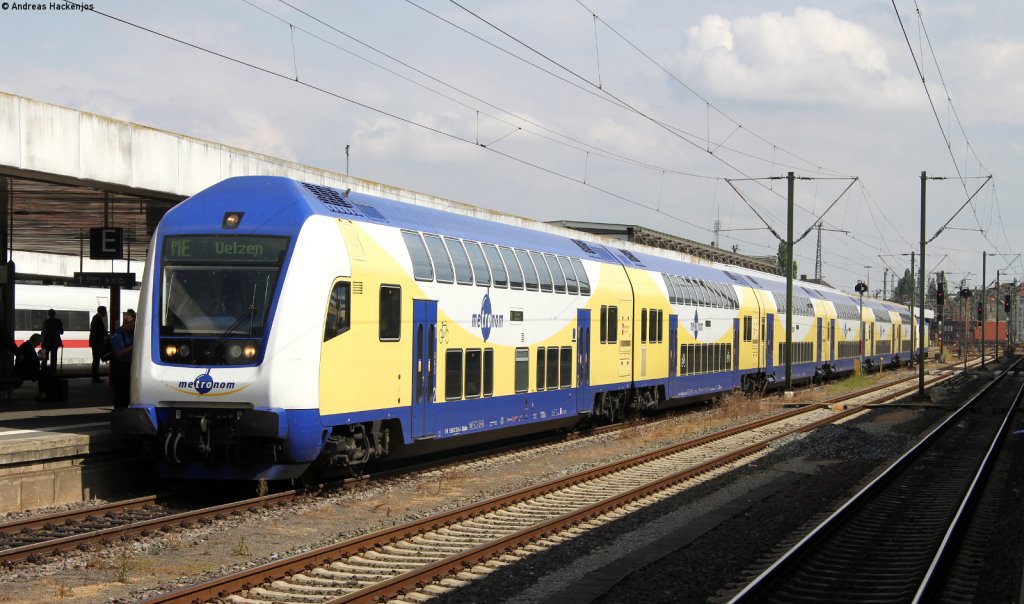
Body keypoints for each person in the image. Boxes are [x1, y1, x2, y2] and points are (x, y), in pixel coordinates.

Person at [109, 309, 136, 409]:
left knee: (127, 389)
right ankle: (120, 409)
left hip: (129, 365)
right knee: (121, 390)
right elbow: (119, 353)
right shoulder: (118, 335)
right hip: (121, 367)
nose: (133, 328)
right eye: (132, 325)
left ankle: (126, 407)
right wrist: (132, 348)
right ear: (126, 323)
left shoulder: (131, 334)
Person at [14, 333, 43, 399]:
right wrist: (39, 358)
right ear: (35, 341)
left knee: (42, 373)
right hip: (24, 370)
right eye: (39, 342)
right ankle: (42, 392)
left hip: (23, 368)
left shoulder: (27, 345)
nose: (39, 344)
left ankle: (42, 392)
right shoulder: (28, 347)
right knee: (43, 374)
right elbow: (31, 360)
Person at [89, 305, 108, 383]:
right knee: (96, 360)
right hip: (96, 343)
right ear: (101, 311)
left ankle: (95, 377)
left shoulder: (96, 318)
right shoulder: (97, 319)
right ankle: (95, 377)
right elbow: (98, 331)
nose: (106, 313)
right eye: (105, 311)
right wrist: (105, 335)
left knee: (96, 360)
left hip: (95, 342)